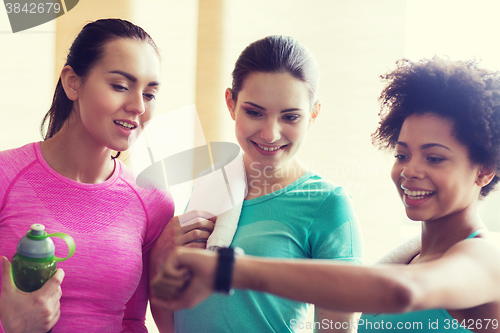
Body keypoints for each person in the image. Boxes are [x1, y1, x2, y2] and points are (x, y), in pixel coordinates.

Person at [150, 57, 500, 333]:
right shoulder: (411, 260)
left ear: (485, 170)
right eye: (402, 154)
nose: (410, 171)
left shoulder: (486, 259)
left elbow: (404, 292)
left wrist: (228, 270)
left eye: (435, 158)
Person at [150, 35, 363, 332]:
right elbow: (175, 313)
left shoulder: (328, 205)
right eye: (254, 112)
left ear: (313, 115)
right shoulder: (210, 188)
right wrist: (158, 257)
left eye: (290, 116)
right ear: (231, 103)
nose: (270, 134)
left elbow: (337, 329)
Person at [0, 18, 175, 332]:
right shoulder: (5, 178)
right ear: (72, 82)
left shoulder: (153, 201)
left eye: (149, 94)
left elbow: (133, 321)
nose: (138, 106)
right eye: (120, 86)